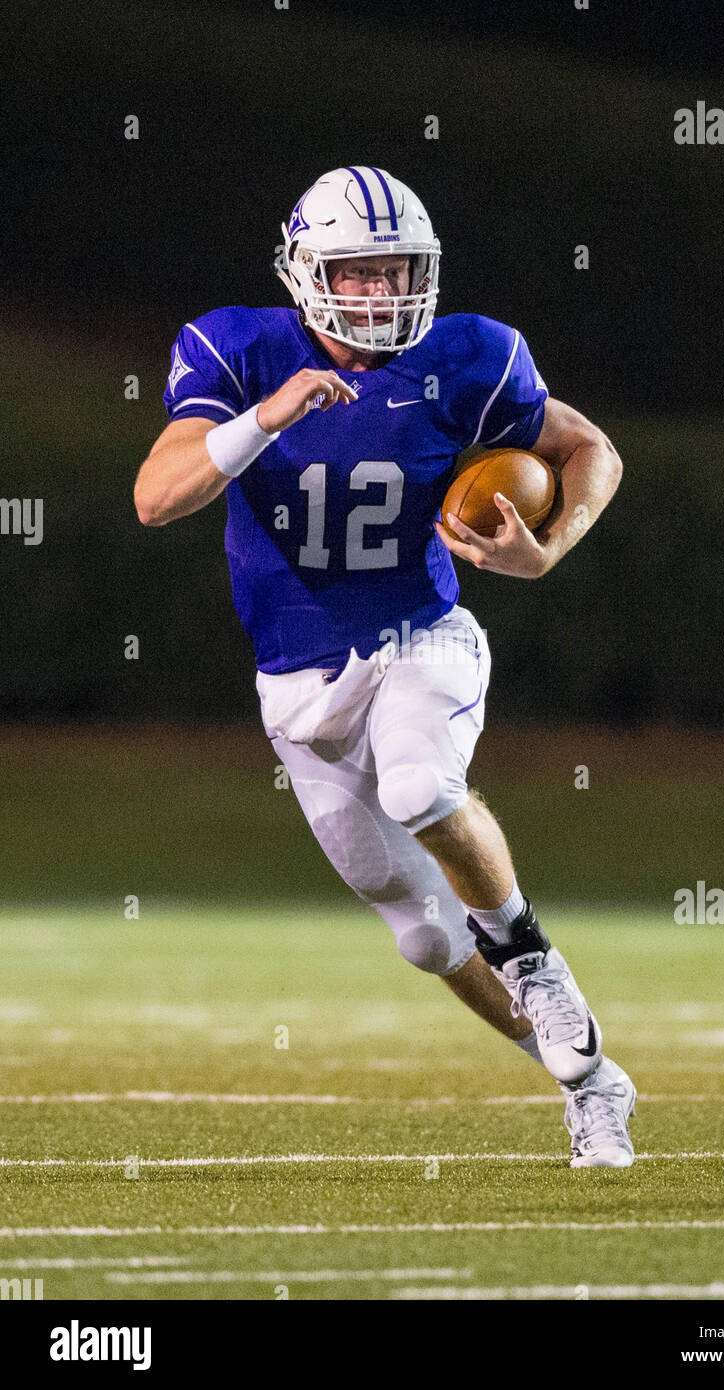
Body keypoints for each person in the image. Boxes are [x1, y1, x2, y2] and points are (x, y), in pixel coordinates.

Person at [134, 166, 634, 1166]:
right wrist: (264, 418)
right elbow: (157, 495)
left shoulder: (469, 356)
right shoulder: (236, 351)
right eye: (356, 273)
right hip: (297, 677)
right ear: (306, 271)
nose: (379, 292)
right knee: (425, 937)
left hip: (420, 633)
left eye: (395, 269)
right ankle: (588, 1081)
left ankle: (531, 953)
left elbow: (588, 450)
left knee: (418, 781)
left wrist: (553, 543)